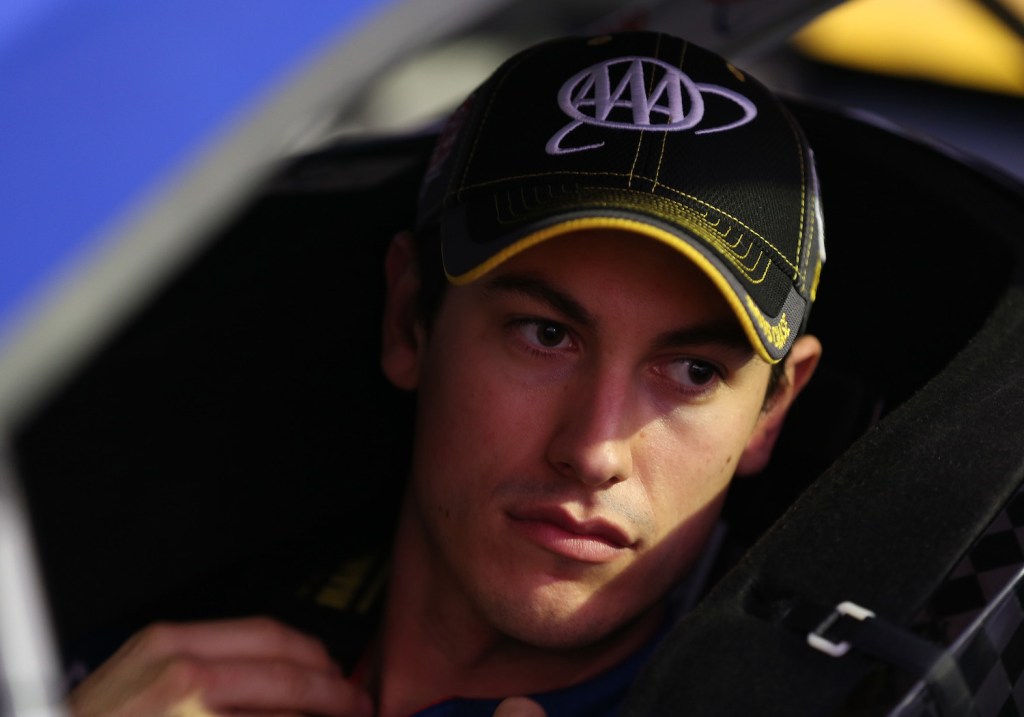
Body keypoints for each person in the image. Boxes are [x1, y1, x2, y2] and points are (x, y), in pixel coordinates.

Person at [66, 30, 825, 717]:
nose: (596, 451)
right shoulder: (137, 591)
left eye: (693, 371)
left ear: (771, 410)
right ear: (408, 321)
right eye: (546, 334)